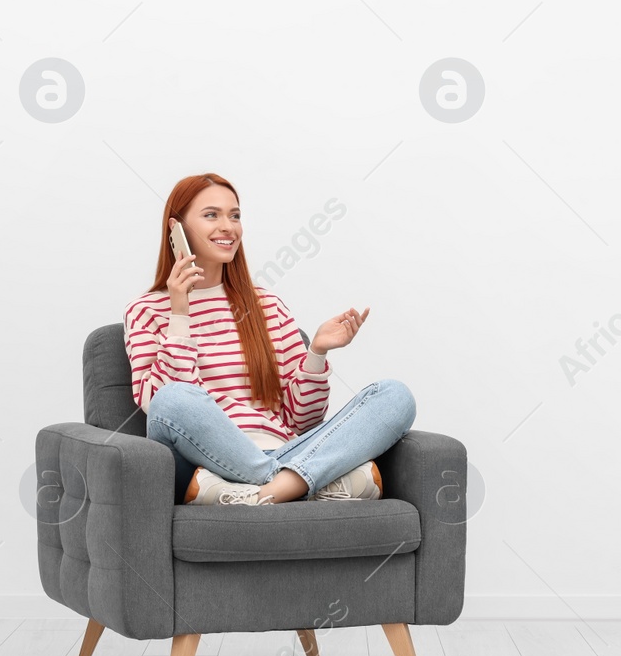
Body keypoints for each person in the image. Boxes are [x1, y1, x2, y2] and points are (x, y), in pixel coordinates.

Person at [123, 172, 416, 506]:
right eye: (211, 215)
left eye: (235, 215)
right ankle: (306, 483)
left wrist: (316, 352)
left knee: (395, 396)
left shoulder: (268, 307)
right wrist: (180, 311)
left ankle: (265, 493)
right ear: (177, 230)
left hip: (283, 448)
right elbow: (157, 407)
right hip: (204, 459)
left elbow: (300, 420)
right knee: (172, 399)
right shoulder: (146, 310)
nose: (228, 226)